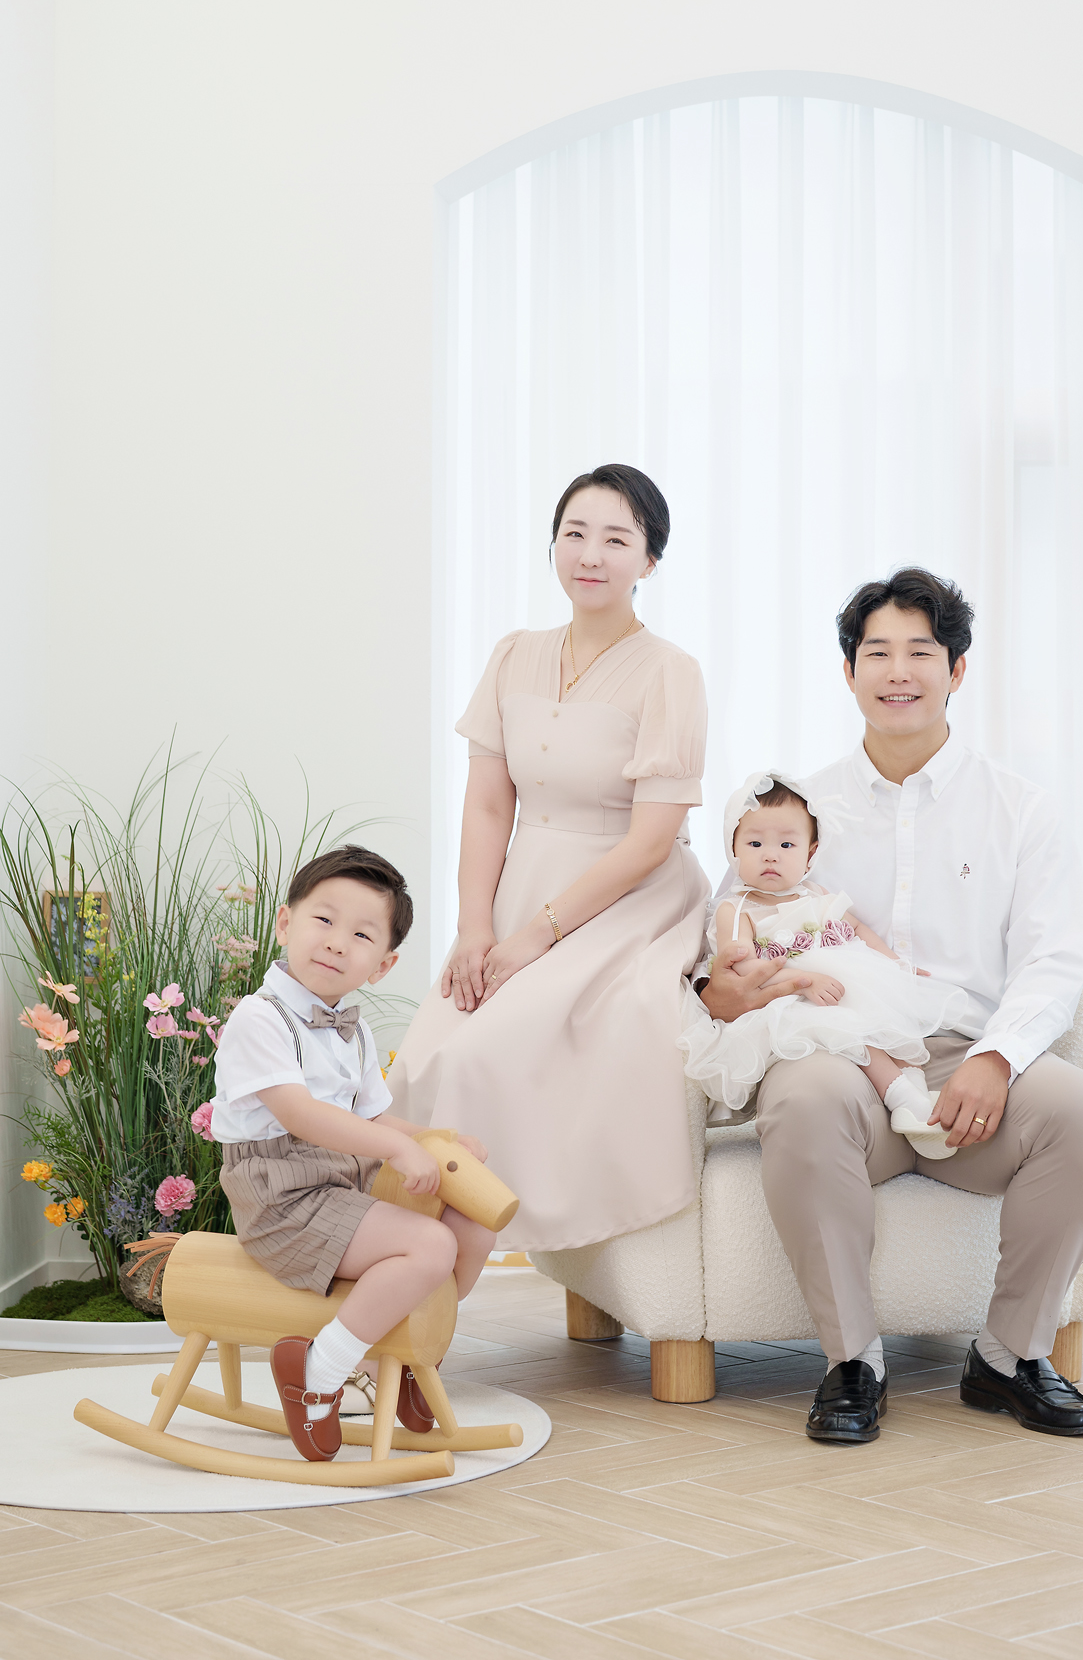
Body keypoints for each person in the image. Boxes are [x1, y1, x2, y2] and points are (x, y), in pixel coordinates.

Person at [697, 568, 1083, 1444]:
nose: (898, 671)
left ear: (956, 670)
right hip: (842, 1058)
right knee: (806, 1098)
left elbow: (1054, 960)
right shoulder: (794, 809)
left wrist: (996, 1057)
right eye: (877, 652)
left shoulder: (1022, 810)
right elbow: (724, 937)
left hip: (967, 1054)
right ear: (848, 671)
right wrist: (720, 988)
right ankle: (853, 1361)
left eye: (921, 652)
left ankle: (1008, 1357)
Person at [395, 465, 710, 1251]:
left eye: (617, 539)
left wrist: (537, 935)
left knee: (482, 1054)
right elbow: (488, 804)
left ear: (650, 560)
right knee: (424, 1061)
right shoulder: (514, 654)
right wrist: (475, 926)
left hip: (627, 896)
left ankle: (461, 1258)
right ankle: (409, 1272)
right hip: (521, 883)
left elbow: (650, 842)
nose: (591, 554)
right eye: (575, 533)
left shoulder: (670, 672)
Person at [213, 845, 494, 1462]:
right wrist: (396, 1147)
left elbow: (373, 1116)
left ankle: (413, 1354)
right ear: (285, 923)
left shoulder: (353, 1028)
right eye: (324, 920)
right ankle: (318, 1372)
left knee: (472, 1222)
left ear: (382, 965)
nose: (337, 943)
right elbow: (300, 1114)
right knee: (430, 1245)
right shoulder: (261, 1018)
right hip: (283, 1198)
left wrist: (438, 1141)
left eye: (362, 935)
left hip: (342, 1185)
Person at [682, 773, 968, 1159]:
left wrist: (895, 965)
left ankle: (912, 1081)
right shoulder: (737, 908)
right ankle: (898, 1093)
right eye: (755, 843)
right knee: (849, 1027)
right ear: (733, 849)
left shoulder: (815, 894)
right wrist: (803, 980)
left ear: (811, 853)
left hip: (837, 983)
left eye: (786, 844)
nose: (770, 855)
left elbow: (857, 928)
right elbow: (744, 968)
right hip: (789, 1001)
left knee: (884, 1016)